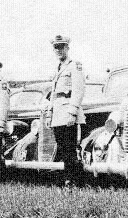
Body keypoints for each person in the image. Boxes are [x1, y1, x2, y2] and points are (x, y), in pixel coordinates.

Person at [46, 35, 86, 186]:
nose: (59, 50)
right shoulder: (58, 68)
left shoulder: (74, 65)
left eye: (61, 47)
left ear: (67, 48)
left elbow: (78, 90)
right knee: (62, 149)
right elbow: (54, 94)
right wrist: (50, 113)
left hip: (68, 112)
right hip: (58, 113)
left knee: (69, 149)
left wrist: (72, 112)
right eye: (56, 47)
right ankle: (69, 179)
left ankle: (73, 181)